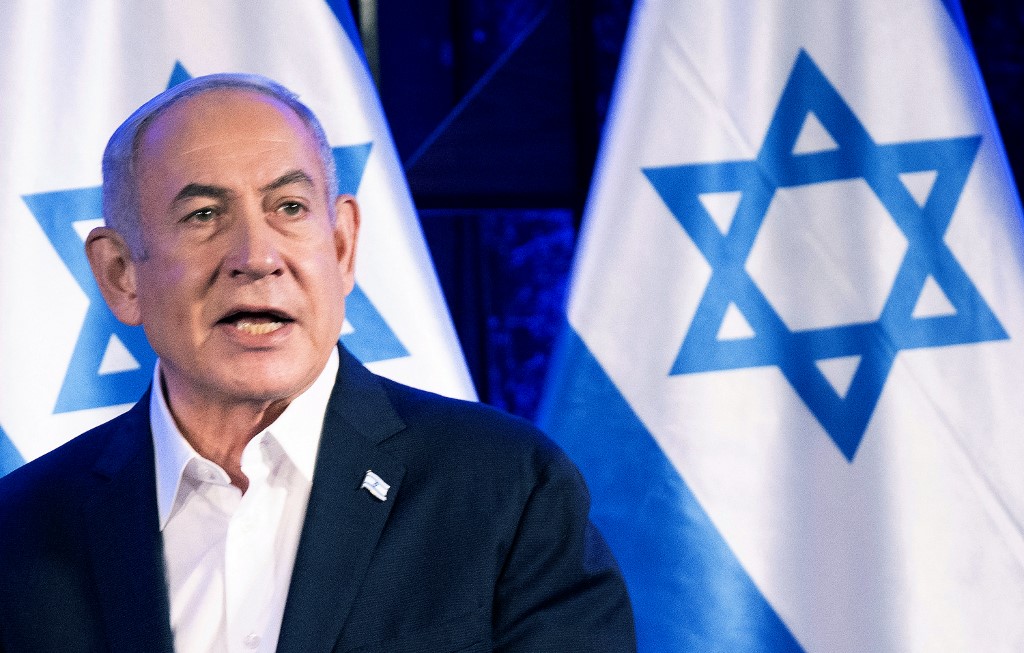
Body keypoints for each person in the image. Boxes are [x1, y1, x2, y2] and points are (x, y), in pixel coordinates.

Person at [0, 74, 635, 652]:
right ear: (120, 275)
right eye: (203, 215)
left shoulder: (506, 488)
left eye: (289, 208)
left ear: (342, 245)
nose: (256, 257)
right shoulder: (20, 532)